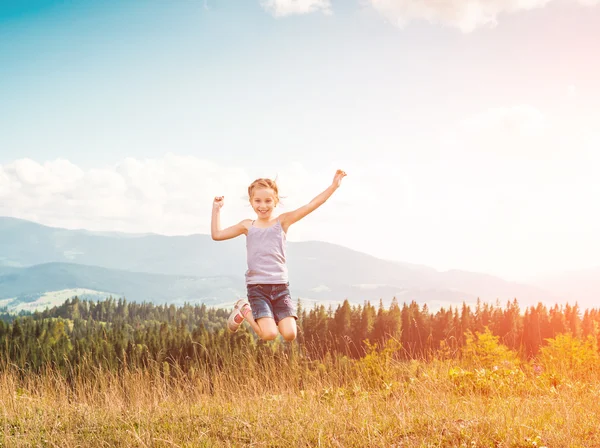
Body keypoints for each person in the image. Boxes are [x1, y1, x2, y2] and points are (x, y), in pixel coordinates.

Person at [211, 169, 347, 341]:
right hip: (258, 289)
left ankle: (261, 314)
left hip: (281, 289)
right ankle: (245, 309)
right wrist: (216, 209)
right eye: (258, 200)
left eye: (268, 200)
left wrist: (334, 186)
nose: (263, 205)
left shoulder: (282, 221)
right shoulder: (247, 226)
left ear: (275, 201)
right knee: (269, 334)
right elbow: (217, 235)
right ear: (251, 202)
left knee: (290, 334)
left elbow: (311, 205)